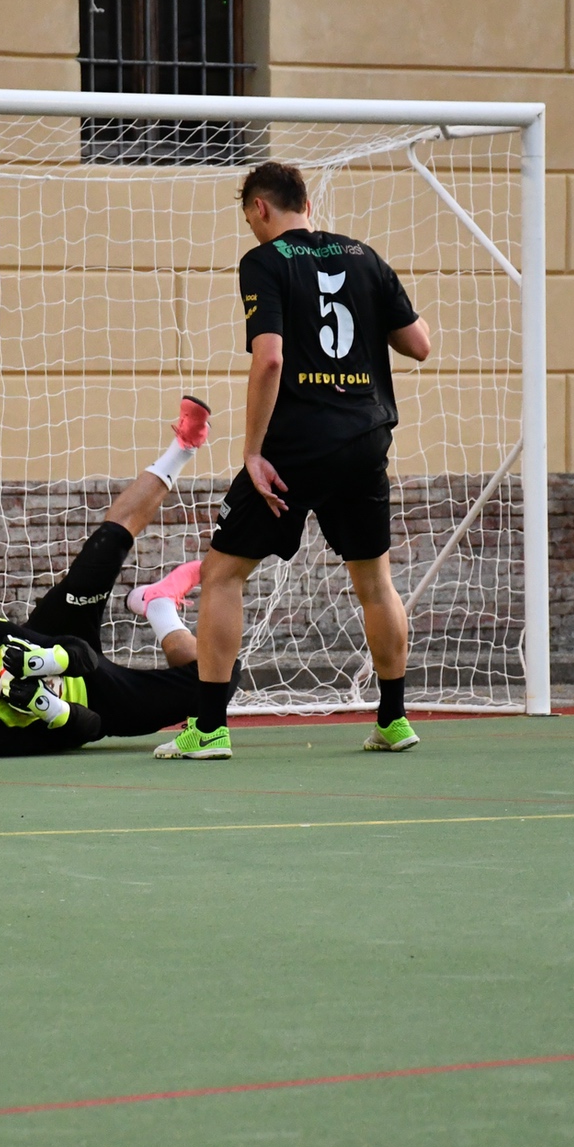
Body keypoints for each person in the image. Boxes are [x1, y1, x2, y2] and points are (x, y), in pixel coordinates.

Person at [155, 161, 432, 760]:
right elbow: (419, 344)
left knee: (223, 574)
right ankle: (393, 719)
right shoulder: (365, 257)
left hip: (297, 447)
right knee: (375, 582)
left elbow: (271, 359)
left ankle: (209, 727)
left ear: (260, 208)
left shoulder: (264, 261)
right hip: (366, 440)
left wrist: (253, 451)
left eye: (249, 218)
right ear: (306, 203)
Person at [0, 396, 222, 758]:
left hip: (56, 638)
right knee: (219, 680)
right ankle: (160, 607)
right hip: (97, 698)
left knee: (106, 546)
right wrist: (48, 708)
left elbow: (81, 653)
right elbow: (90, 727)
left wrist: (41, 663)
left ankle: (183, 446)